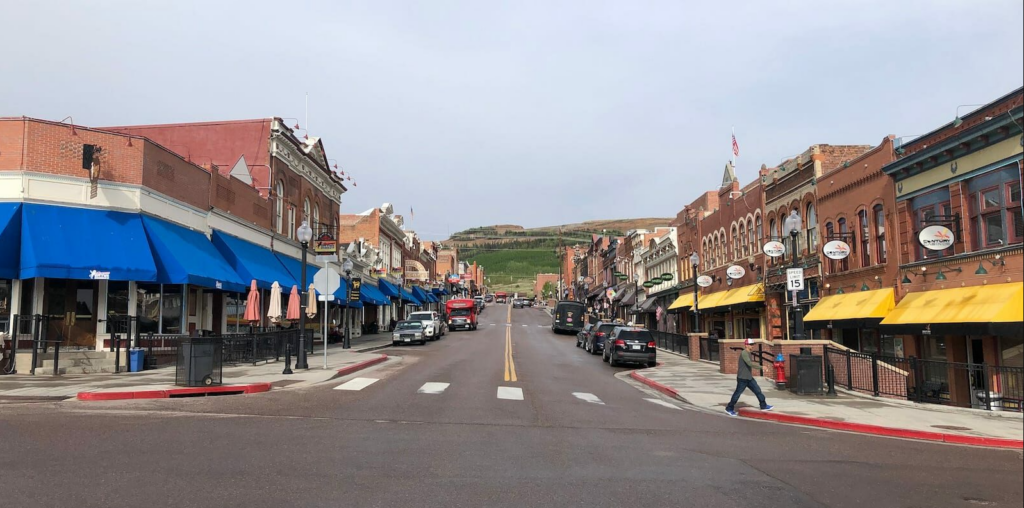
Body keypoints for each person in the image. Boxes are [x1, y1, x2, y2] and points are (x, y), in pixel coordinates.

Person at [725, 338, 773, 416]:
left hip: (749, 378)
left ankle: (763, 405)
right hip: (742, 378)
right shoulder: (744, 353)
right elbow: (749, 363)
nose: (752, 346)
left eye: (753, 344)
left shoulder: (749, 353)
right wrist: (761, 367)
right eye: (751, 345)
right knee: (737, 394)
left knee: (758, 390)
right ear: (746, 345)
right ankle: (729, 408)